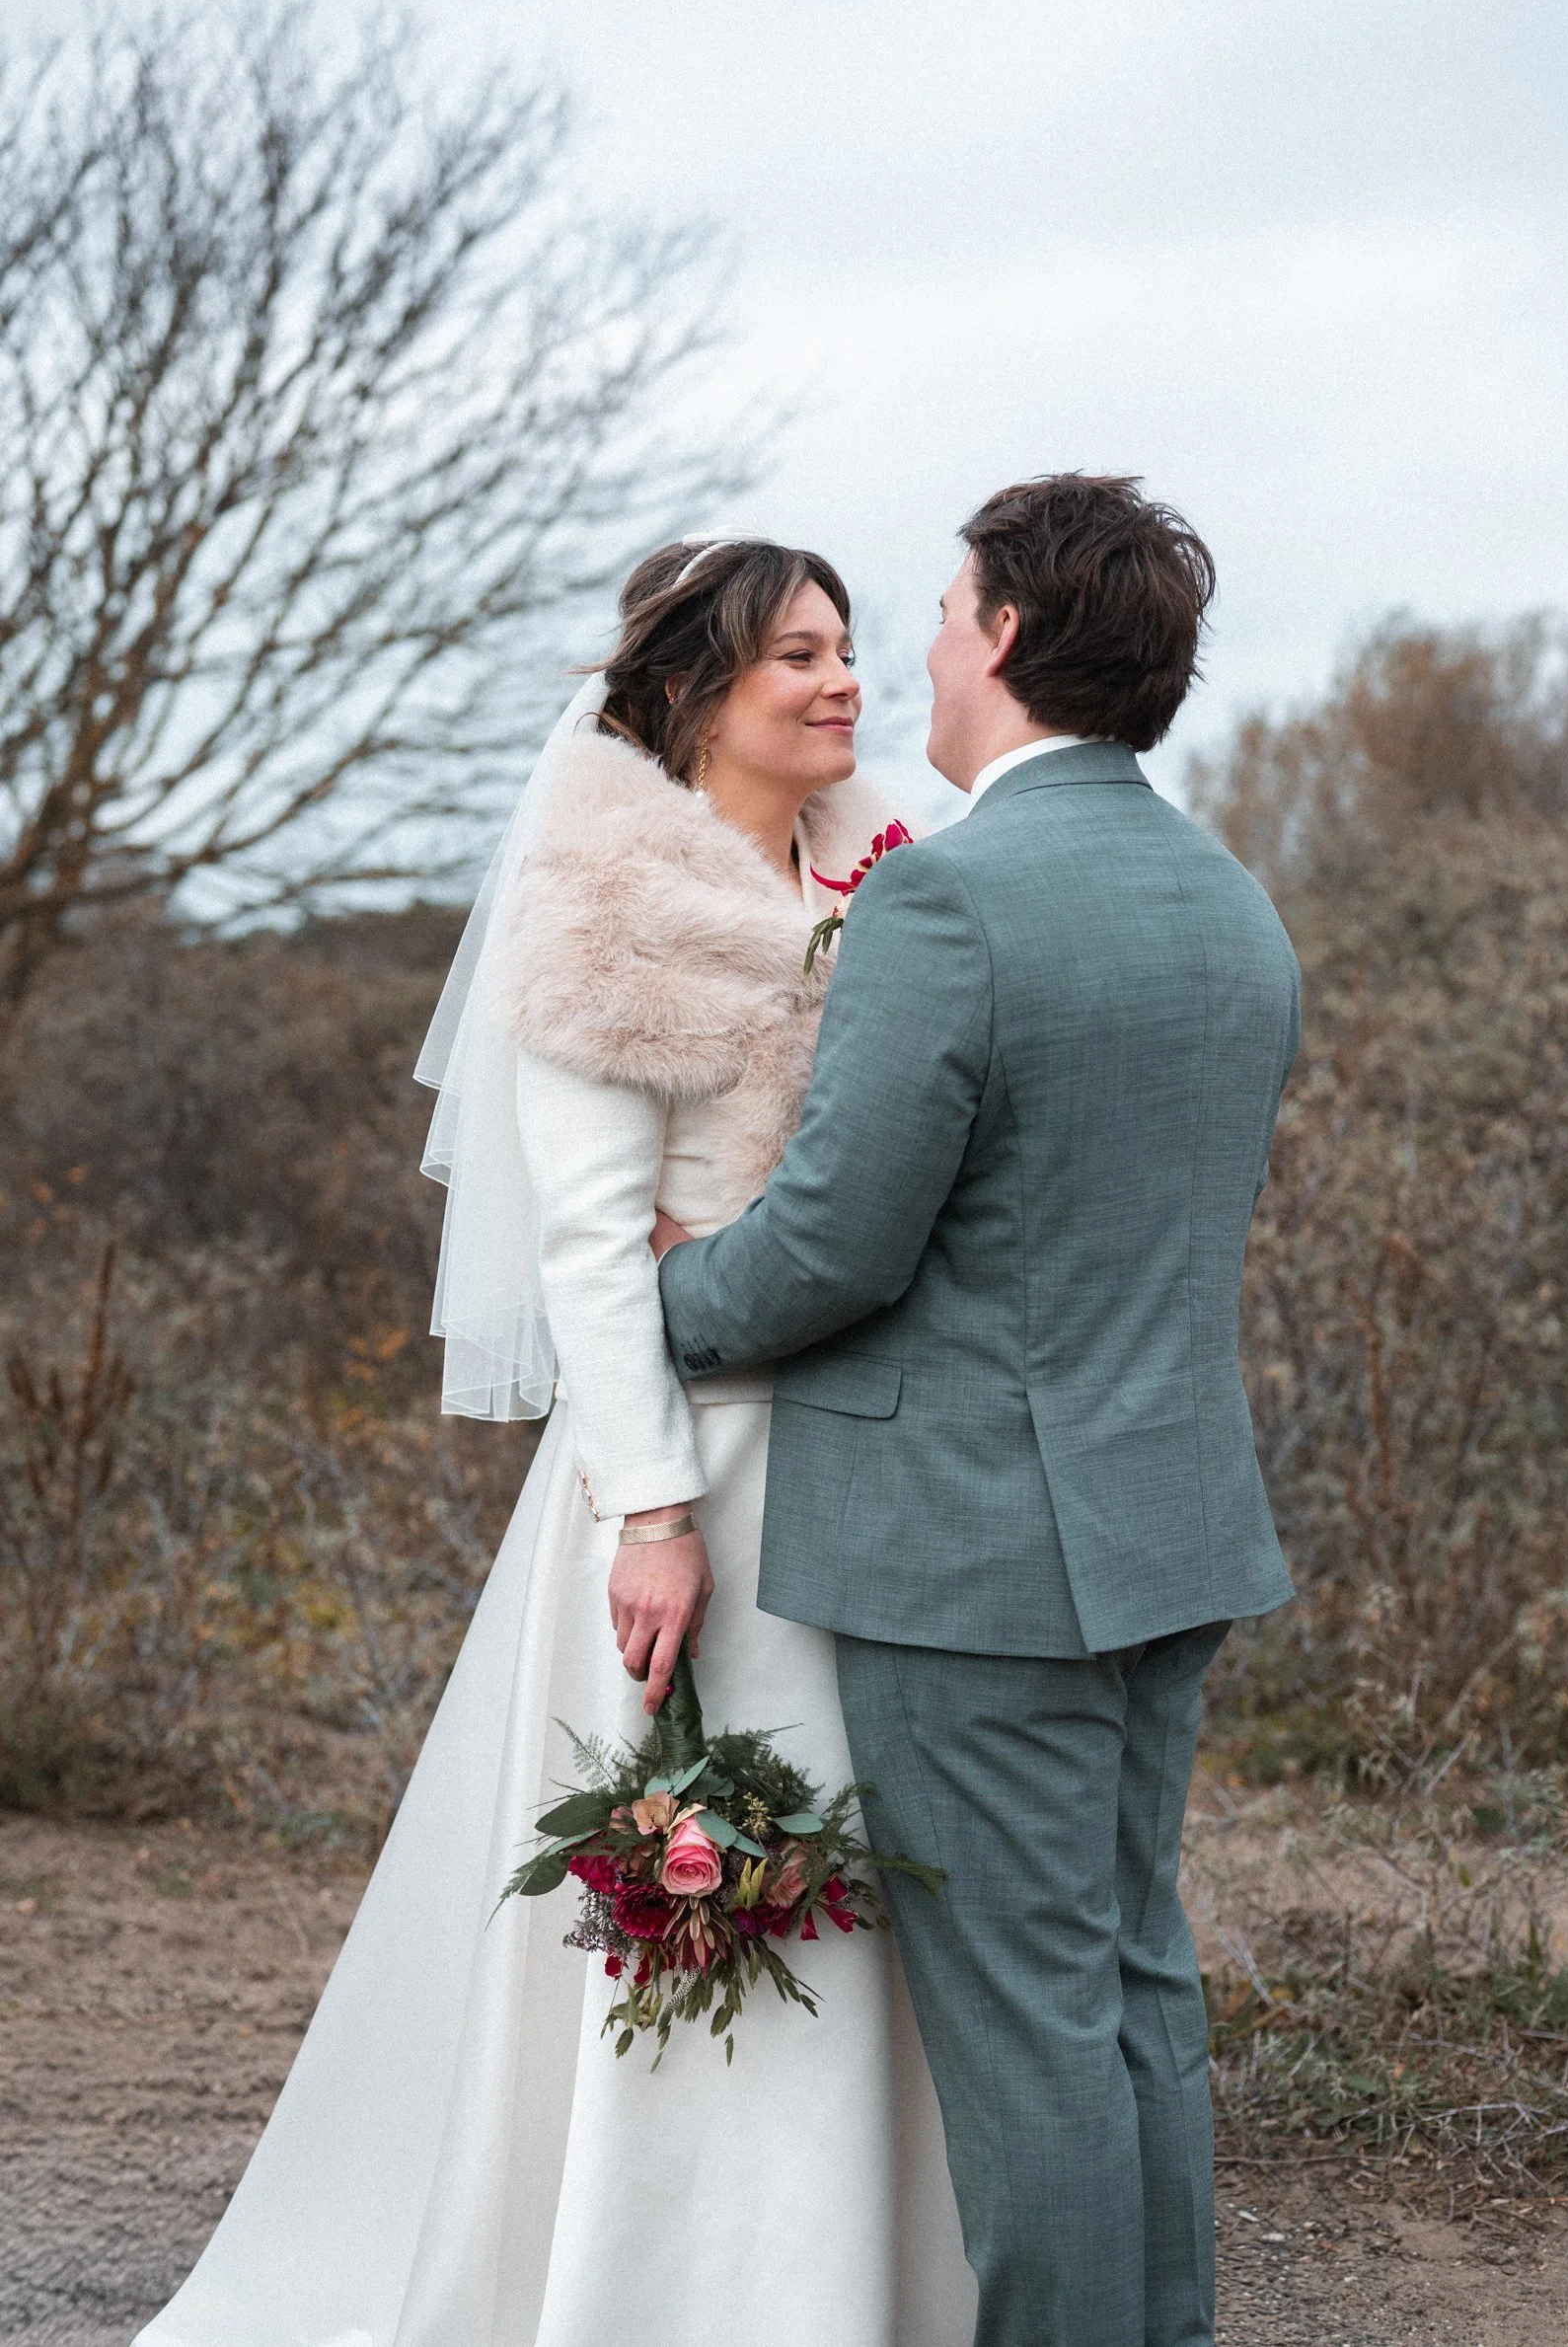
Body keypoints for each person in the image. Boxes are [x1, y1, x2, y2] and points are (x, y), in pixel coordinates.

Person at [133, 540, 975, 2347]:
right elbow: (596, 1245)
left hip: (884, 1456)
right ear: (693, 691)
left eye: (847, 650)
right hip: (705, 1472)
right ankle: (661, 2288)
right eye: (798, 659)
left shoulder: (893, 868)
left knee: (867, 1879)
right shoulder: (603, 903)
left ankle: (860, 2282)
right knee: (723, 1866)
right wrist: (653, 1509)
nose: (843, 685)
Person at [651, 476, 1302, 2347]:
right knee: (1129, 1987)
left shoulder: (946, 898)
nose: (915, 649)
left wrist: (651, 1294)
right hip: (1167, 1531)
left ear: (1005, 638)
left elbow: (830, 1254)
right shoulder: (1229, 902)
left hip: (975, 1562)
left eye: (938, 611)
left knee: (1026, 2040)